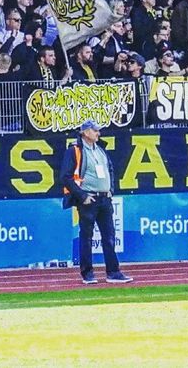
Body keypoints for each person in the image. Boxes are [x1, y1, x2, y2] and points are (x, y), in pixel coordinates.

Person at [60, 119, 131, 285]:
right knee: (86, 237)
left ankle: (113, 272)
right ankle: (87, 273)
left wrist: (110, 190)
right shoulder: (75, 150)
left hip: (104, 199)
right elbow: (65, 177)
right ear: (85, 132)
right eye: (95, 130)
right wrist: (82, 196)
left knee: (109, 237)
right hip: (88, 200)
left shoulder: (100, 149)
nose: (98, 133)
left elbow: (109, 170)